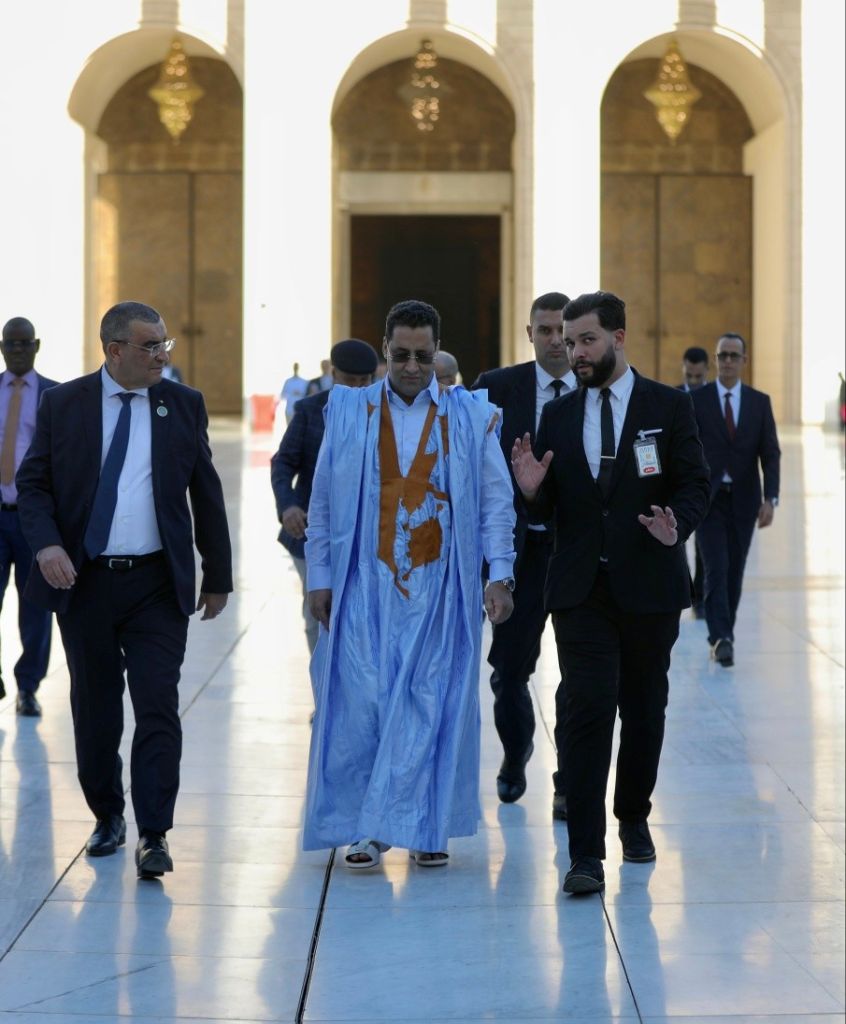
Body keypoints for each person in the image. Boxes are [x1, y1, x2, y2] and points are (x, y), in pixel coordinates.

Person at [16, 301, 232, 881]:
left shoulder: (182, 404)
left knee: (158, 702)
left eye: (164, 344)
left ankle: (154, 832)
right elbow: (33, 485)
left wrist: (217, 575)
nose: (162, 355)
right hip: (84, 580)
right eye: (149, 346)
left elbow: (205, 491)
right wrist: (47, 546)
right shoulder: (64, 404)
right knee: (96, 707)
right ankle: (107, 814)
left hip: (157, 585)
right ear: (114, 350)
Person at [303, 299, 516, 869]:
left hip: (441, 588)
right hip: (363, 584)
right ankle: (367, 829)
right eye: (402, 355)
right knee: (364, 705)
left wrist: (500, 574)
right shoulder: (348, 410)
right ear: (385, 351)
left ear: (437, 352)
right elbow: (322, 500)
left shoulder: (470, 415)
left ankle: (426, 823)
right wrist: (319, 578)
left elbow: (496, 502)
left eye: (423, 356)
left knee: (430, 704)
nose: (413, 367)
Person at [511, 291, 709, 895]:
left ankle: (634, 815)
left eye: (586, 340)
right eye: (568, 341)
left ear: (618, 338)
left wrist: (677, 523)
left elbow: (695, 483)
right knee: (586, 709)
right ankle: (585, 855)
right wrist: (532, 491)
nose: (573, 351)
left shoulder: (667, 406)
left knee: (644, 709)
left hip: (650, 584)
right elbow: (551, 506)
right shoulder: (559, 414)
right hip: (582, 590)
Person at [472, 292, 576, 817]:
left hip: (577, 551)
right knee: (509, 670)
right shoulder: (494, 388)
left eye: (563, 331)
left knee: (581, 675)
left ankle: (568, 782)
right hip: (517, 554)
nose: (555, 341)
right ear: (529, 333)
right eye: (545, 330)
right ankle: (516, 755)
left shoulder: (597, 387)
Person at [270, 339, 378, 658]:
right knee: (319, 611)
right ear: (333, 374)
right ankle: (323, 685)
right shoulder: (309, 411)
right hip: (311, 533)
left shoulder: (386, 413)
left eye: (364, 381)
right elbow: (283, 463)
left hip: (368, 535)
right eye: (349, 380)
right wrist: (288, 505)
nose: (357, 388)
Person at [691, 332, 780, 667]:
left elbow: (770, 454)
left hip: (744, 500)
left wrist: (771, 498)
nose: (727, 361)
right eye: (722, 355)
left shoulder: (759, 403)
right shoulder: (697, 400)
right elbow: (686, 449)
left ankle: (724, 631)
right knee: (716, 566)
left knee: (734, 570)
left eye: (733, 355)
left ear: (744, 361)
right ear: (716, 360)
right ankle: (721, 637)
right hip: (709, 500)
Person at [0, 317, 57, 715]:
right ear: (2, 348)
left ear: (36, 346)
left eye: (24, 343)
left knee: (36, 607)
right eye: (10, 343)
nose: (18, 350)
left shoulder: (56, 396)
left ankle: (28, 687)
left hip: (33, 521)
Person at [676, 345, 710, 616]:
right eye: (690, 376)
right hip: (678, 480)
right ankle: (686, 590)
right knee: (677, 537)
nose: (694, 382)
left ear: (707, 371)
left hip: (707, 479)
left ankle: (700, 595)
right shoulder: (673, 397)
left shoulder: (715, 399)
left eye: (699, 377)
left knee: (704, 544)